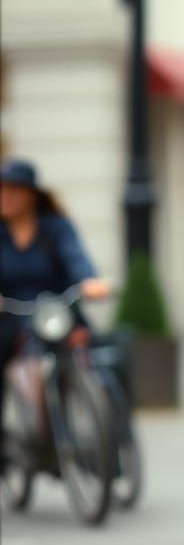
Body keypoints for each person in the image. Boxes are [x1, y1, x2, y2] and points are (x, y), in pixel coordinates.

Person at [0, 158, 110, 448]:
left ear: (31, 194)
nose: (5, 196)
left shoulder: (55, 229)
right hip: (12, 314)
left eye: (13, 189)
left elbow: (75, 257)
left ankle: (111, 438)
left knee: (100, 359)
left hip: (56, 313)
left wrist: (89, 281)